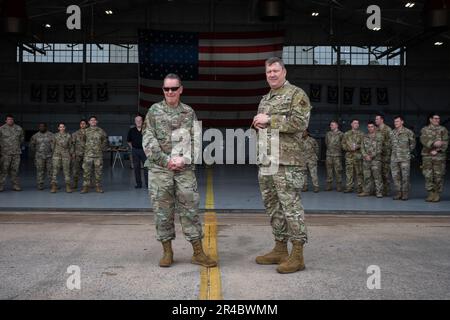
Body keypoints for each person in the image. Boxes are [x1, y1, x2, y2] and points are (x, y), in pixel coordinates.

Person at [142, 73, 216, 268]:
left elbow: (197, 140)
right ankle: (167, 252)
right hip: (160, 169)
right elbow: (148, 140)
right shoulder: (154, 111)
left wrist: (185, 159)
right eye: (166, 89)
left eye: (174, 88)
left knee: (190, 209)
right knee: (162, 212)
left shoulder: (189, 112)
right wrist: (166, 161)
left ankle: (198, 253)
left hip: (184, 170)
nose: (170, 92)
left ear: (181, 89)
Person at [253, 57, 311, 274]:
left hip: (287, 162)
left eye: (276, 71)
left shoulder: (296, 94)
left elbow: (300, 123)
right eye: (269, 72)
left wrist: (269, 121)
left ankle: (297, 255)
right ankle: (280, 248)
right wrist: (258, 123)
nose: (272, 75)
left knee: (291, 207)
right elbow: (265, 127)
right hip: (267, 161)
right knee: (273, 206)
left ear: (284, 72)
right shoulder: (266, 98)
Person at [420, 113, 448, 202]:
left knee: (438, 175)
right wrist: (433, 143)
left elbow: (446, 142)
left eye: (438, 119)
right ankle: (430, 193)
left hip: (439, 157)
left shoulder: (443, 129)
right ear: (430, 119)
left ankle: (437, 194)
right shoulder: (425, 129)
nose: (437, 120)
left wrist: (437, 150)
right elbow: (423, 140)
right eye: (435, 118)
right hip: (427, 156)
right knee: (428, 175)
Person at [390, 115, 415, 200]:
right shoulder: (392, 132)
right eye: (394, 122)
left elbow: (412, 144)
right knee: (395, 177)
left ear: (402, 122)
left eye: (397, 121)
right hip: (394, 158)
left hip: (404, 158)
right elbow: (390, 145)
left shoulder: (408, 132)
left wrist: (406, 152)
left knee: (405, 177)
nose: (395, 123)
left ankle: (405, 194)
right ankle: (398, 193)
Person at [81, 116, 107, 194]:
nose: (93, 121)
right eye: (91, 120)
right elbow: (82, 141)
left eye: (94, 120)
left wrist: (100, 148)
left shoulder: (101, 131)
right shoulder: (85, 131)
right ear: (89, 122)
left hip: (98, 155)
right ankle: (85, 187)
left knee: (98, 172)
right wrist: (86, 148)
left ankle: (98, 187)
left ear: (96, 122)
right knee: (86, 171)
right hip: (88, 155)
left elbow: (105, 140)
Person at [0, 114, 24, 192]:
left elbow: (21, 139)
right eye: (9, 119)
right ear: (6, 120)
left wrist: (15, 146)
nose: (10, 120)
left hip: (16, 153)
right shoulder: (1, 129)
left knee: (15, 170)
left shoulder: (18, 128)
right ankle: (0, 186)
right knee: (4, 170)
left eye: (11, 119)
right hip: (5, 153)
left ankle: (15, 186)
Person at [359, 121, 383, 198]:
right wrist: (365, 155)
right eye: (369, 127)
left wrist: (371, 156)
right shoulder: (365, 136)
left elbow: (379, 149)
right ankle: (366, 191)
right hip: (366, 160)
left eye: (371, 126)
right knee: (366, 176)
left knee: (377, 177)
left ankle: (378, 192)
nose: (370, 128)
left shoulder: (379, 136)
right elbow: (362, 147)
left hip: (376, 160)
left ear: (375, 127)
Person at [29, 123, 54, 190]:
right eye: (40, 126)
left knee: (51, 171)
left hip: (49, 156)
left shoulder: (51, 135)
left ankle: (53, 185)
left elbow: (54, 145)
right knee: (40, 171)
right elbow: (31, 146)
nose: (41, 127)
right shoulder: (35, 136)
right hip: (39, 157)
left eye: (43, 126)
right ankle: (40, 185)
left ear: (46, 127)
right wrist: (37, 152)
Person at [342, 119, 364, 193]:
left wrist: (357, 146)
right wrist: (349, 148)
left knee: (359, 172)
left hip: (358, 156)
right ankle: (349, 187)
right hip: (349, 156)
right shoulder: (346, 134)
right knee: (349, 173)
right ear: (351, 124)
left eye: (357, 123)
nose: (356, 124)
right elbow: (343, 144)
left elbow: (364, 144)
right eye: (355, 123)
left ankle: (360, 188)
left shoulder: (361, 134)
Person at [51, 123, 73, 193]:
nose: (62, 128)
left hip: (66, 156)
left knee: (66, 171)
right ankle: (54, 186)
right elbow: (52, 145)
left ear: (65, 128)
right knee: (55, 171)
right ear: (58, 128)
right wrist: (54, 153)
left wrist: (71, 154)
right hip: (56, 155)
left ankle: (68, 186)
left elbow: (71, 146)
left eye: (63, 127)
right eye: (60, 127)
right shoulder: (55, 136)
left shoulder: (68, 136)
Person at [127, 114, 148, 189]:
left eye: (140, 120)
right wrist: (133, 148)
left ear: (142, 121)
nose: (138, 122)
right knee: (136, 168)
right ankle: (139, 184)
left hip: (145, 151)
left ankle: (147, 184)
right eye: (137, 121)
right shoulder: (131, 130)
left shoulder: (146, 130)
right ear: (135, 122)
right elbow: (129, 141)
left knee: (146, 168)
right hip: (135, 151)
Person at [375, 113, 392, 196]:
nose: (376, 121)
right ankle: (379, 190)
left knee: (385, 173)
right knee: (378, 173)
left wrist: (382, 147)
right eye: (375, 119)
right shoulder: (376, 129)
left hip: (385, 155)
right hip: (377, 156)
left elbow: (391, 142)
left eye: (377, 119)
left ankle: (386, 190)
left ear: (382, 120)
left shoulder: (388, 129)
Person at [325, 120, 344, 191]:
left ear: (337, 125)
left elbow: (343, 144)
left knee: (338, 171)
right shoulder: (328, 134)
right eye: (330, 125)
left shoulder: (341, 134)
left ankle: (339, 185)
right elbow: (326, 143)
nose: (331, 126)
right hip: (329, 155)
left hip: (337, 155)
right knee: (329, 170)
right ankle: (329, 185)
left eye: (332, 125)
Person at [71, 119, 87, 190]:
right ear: (80, 125)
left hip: (87, 154)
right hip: (77, 155)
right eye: (81, 123)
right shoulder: (75, 134)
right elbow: (72, 144)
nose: (82, 125)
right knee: (75, 170)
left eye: (84, 123)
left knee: (87, 170)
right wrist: (72, 153)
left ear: (86, 125)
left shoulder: (89, 133)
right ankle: (75, 184)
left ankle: (86, 184)